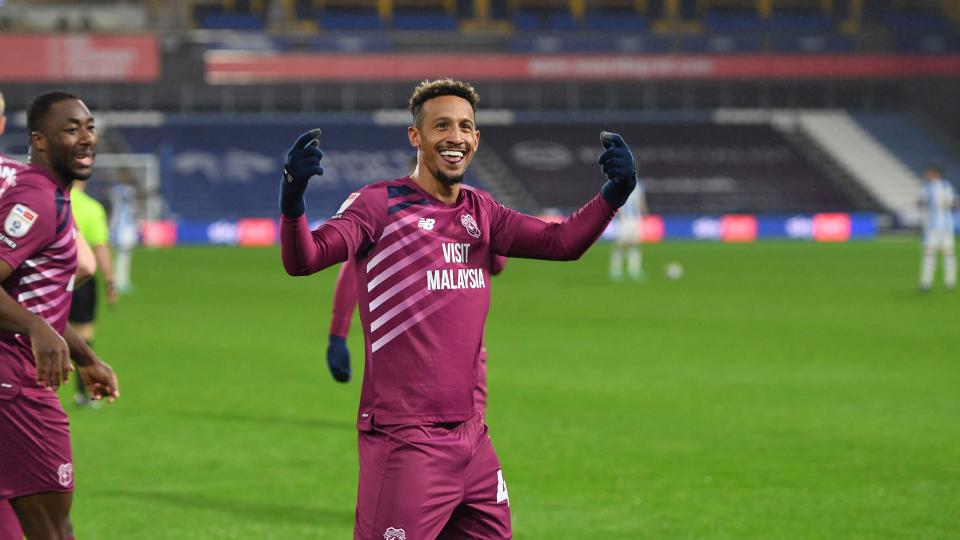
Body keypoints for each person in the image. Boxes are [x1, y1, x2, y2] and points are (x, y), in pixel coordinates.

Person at [279, 78, 637, 538]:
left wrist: (615, 192)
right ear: (416, 136)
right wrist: (292, 202)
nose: (456, 137)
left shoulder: (482, 212)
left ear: (477, 139)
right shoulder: (379, 205)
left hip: (473, 441)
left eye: (466, 127)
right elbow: (305, 260)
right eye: (442, 125)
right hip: (405, 442)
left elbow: (562, 241)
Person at [0, 90, 120, 540]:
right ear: (40, 141)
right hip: (18, 389)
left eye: (89, 127)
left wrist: (86, 357)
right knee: (53, 529)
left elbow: (37, 302)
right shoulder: (35, 200)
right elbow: (34, 315)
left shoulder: (50, 196)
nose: (86, 138)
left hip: (12, 382)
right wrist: (34, 329)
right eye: (71, 129)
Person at [326, 253, 507, 415]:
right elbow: (497, 262)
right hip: (454, 348)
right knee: (466, 429)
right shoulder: (475, 215)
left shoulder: (393, 217)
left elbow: (354, 262)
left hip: (421, 348)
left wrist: (338, 334)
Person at [68, 180, 117, 407]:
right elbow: (100, 247)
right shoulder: (92, 207)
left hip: (48, 274)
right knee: (83, 333)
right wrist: (110, 282)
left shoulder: (51, 199)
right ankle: (84, 393)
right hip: (82, 278)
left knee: (39, 329)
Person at [918, 164, 957, 291]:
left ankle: (927, 283)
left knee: (932, 254)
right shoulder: (946, 186)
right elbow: (953, 203)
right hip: (944, 225)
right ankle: (948, 283)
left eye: (929, 173)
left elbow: (921, 202)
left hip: (936, 226)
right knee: (945, 254)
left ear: (935, 174)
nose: (926, 175)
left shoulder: (930, 187)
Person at [610, 179, 647, 281]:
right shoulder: (620, 184)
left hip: (636, 219)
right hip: (624, 219)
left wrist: (644, 213)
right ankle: (615, 269)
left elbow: (641, 200)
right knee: (620, 244)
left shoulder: (638, 184)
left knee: (635, 244)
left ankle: (634, 270)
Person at [110, 171, 137, 293]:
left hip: (127, 227)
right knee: (122, 255)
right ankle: (118, 282)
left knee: (125, 255)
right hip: (122, 228)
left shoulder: (123, 191)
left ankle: (122, 281)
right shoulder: (122, 191)